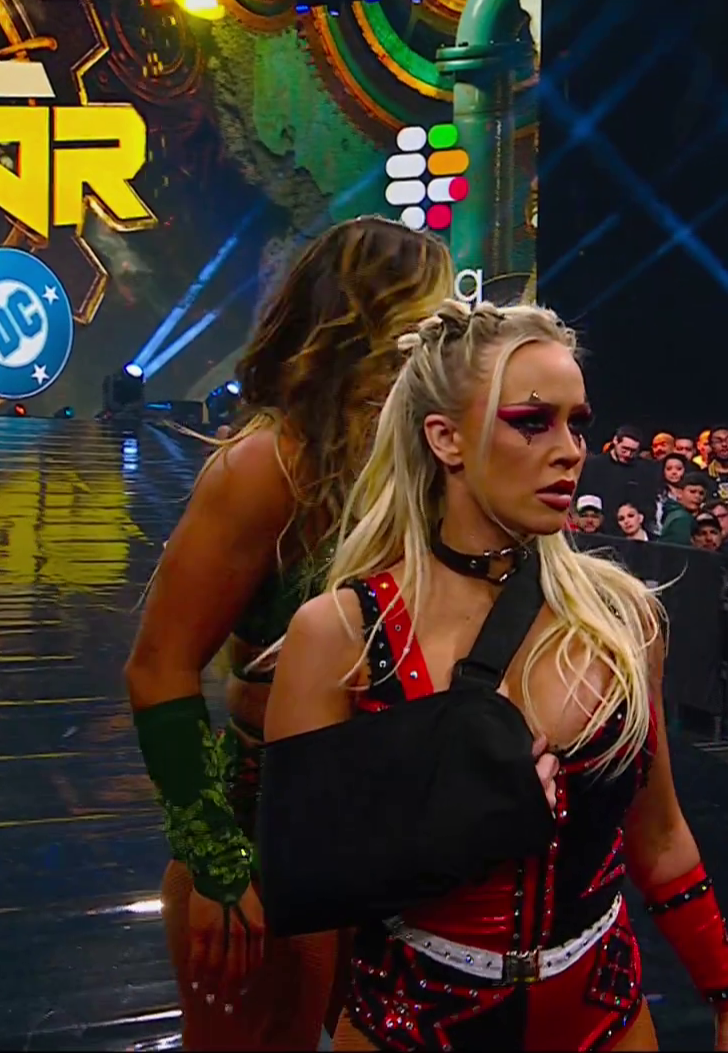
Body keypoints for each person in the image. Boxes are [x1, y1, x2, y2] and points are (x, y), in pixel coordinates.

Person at [265, 301, 728, 1051]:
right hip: (413, 1024)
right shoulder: (341, 635)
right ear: (446, 438)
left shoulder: (625, 622)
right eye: (532, 421)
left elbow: (659, 837)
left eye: (577, 423)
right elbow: (306, 892)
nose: (570, 451)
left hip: (604, 1014)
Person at [122, 216, 453, 1050]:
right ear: (365, 323)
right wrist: (216, 864)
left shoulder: (425, 463)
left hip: (391, 831)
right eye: (424, 320)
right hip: (269, 825)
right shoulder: (269, 465)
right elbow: (159, 669)